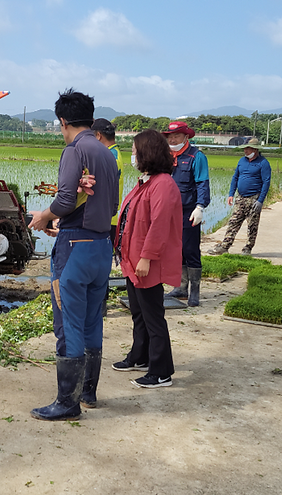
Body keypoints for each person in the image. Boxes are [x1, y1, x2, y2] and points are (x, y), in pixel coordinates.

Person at [28, 89, 119, 420]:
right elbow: (109, 206)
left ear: (62, 121)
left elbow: (66, 200)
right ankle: (88, 392)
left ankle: (67, 403)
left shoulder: (74, 150)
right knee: (94, 319)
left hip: (75, 251)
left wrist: (45, 217)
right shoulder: (108, 154)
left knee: (69, 323)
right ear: (91, 119)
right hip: (100, 246)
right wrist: (65, 222)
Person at [111, 130, 182, 388]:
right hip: (133, 261)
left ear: (147, 153)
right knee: (138, 312)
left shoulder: (163, 184)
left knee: (153, 316)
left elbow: (159, 225)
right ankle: (139, 355)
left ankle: (161, 371)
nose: (132, 155)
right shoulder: (147, 181)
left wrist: (147, 257)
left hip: (146, 263)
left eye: (134, 150)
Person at [163, 121, 210, 307]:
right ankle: (181, 287)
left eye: (176, 136)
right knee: (176, 249)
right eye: (170, 136)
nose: (172, 139)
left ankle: (195, 291)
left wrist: (200, 206)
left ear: (186, 137)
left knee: (190, 249)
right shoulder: (166, 156)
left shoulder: (196, 156)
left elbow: (202, 183)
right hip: (170, 212)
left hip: (189, 211)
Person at [209, 138, 271, 256]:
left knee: (252, 225)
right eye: (245, 149)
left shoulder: (263, 163)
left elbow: (266, 182)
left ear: (255, 149)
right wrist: (231, 194)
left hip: (254, 198)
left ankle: (247, 248)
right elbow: (235, 177)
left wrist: (260, 201)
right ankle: (225, 246)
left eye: (248, 149)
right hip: (240, 197)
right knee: (233, 222)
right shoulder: (242, 161)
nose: (246, 151)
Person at [92, 117, 123, 244]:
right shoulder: (113, 153)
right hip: (109, 217)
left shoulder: (109, 156)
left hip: (106, 218)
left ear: (98, 136)